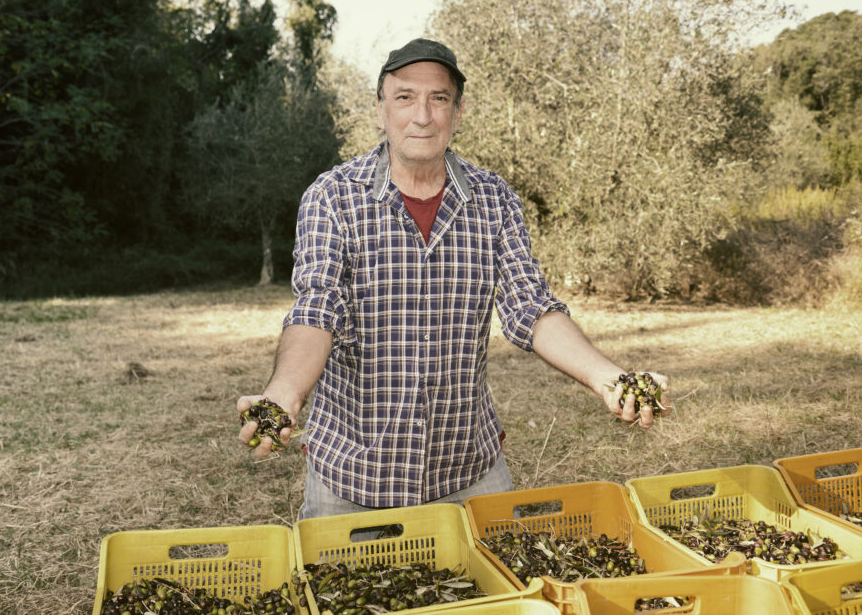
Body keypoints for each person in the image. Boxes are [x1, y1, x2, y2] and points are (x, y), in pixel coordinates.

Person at [237, 37, 670, 518]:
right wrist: (283, 395)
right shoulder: (333, 197)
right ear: (381, 110)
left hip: (470, 475)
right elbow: (317, 309)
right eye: (404, 97)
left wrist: (607, 377)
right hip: (353, 479)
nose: (421, 115)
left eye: (438, 98)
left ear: (456, 113)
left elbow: (530, 308)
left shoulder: (494, 198)